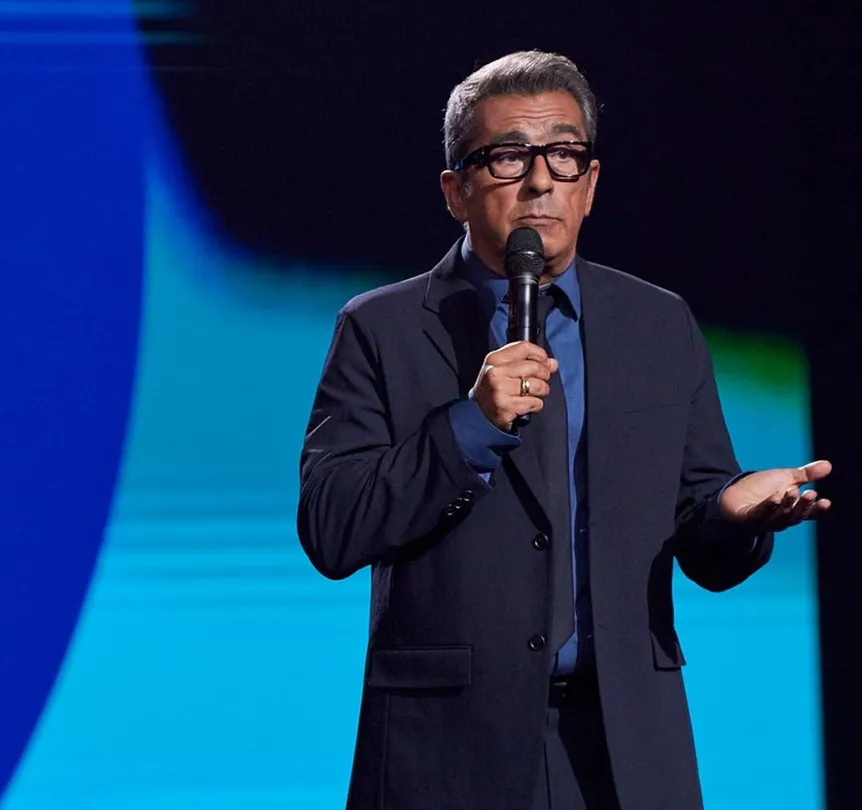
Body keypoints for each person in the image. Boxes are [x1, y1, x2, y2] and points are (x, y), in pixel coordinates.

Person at [297, 50, 831, 810]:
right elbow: (332, 527)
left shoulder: (658, 324)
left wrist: (732, 514)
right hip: (447, 752)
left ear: (591, 182)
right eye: (509, 157)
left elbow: (702, 531)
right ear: (455, 191)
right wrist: (470, 426)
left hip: (624, 749)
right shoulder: (381, 328)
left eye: (564, 155)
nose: (541, 181)